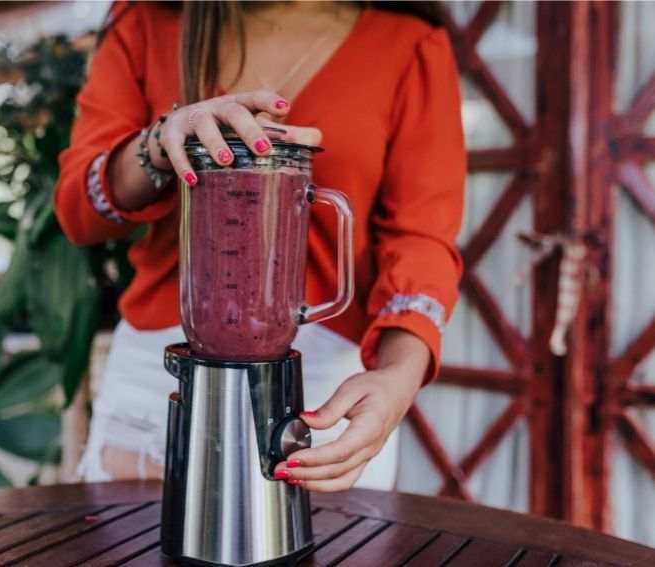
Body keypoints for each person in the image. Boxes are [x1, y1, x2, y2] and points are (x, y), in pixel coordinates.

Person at [55, 0, 465, 492]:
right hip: (163, 376)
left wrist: (398, 378)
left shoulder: (409, 44)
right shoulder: (147, 20)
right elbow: (79, 213)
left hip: (326, 396)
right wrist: (161, 145)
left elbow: (422, 238)